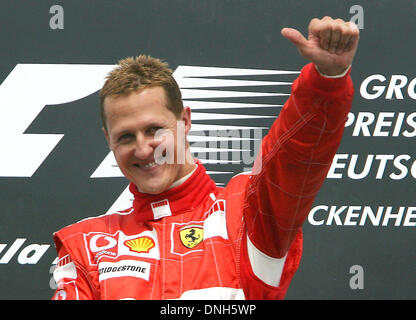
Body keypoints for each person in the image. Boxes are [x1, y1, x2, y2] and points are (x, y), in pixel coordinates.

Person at [51, 16, 359, 300]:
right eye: (126, 137)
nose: (144, 149)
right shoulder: (87, 245)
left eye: (154, 130)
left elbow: (295, 156)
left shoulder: (245, 214)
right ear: (108, 140)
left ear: (185, 121)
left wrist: (326, 81)